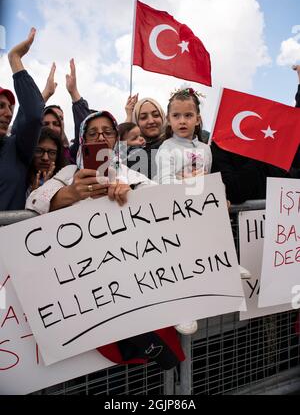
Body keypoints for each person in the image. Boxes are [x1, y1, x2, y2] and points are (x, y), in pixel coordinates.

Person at [26, 110, 185, 370]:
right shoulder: (68, 174)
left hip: (129, 281)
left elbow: (164, 202)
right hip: (84, 289)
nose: (101, 136)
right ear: (83, 140)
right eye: (93, 132)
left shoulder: (131, 174)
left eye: (107, 131)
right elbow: (32, 203)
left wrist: (133, 195)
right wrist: (70, 193)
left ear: (116, 139)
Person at [154, 88, 212, 336]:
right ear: (169, 119)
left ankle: (227, 267)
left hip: (197, 215)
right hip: (172, 218)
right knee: (178, 266)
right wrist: (189, 182)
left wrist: (196, 183)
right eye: (176, 115)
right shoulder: (166, 148)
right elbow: (166, 183)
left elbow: (206, 181)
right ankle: (182, 311)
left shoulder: (206, 148)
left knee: (203, 258)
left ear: (197, 118)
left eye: (188, 115)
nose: (182, 121)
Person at [0, 27, 44, 211]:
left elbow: (34, 115)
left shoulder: (16, 148)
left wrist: (15, 59)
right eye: (1, 106)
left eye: (11, 108)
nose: (9, 114)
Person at [125, 94, 166, 179]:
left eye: (156, 115)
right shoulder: (130, 151)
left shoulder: (174, 143)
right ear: (136, 122)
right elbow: (114, 163)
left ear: (163, 117)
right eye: (143, 117)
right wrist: (129, 116)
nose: (151, 121)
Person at [26, 127, 66, 196]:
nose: (45, 158)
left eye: (52, 153)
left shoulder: (65, 182)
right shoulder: (19, 181)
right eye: (39, 151)